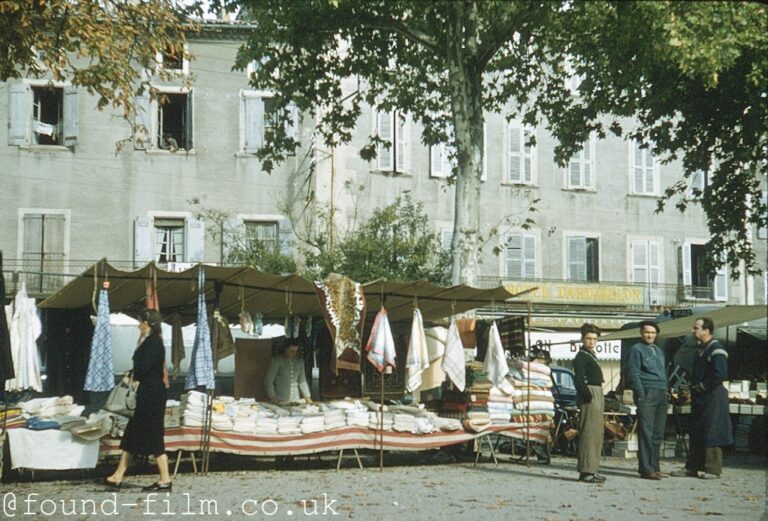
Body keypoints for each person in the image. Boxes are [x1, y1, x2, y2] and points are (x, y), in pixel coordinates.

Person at [103, 309, 172, 491]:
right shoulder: (150, 342)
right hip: (148, 394)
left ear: (148, 324)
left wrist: (133, 374)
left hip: (152, 395)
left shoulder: (153, 343)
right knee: (132, 435)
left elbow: (142, 368)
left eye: (141, 321)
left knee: (154, 436)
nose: (138, 325)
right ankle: (118, 475)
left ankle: (165, 479)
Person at [672, 317, 733, 479]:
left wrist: (702, 387)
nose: (693, 331)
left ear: (706, 331)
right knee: (697, 431)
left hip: (713, 397)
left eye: (696, 328)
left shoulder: (716, 349)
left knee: (712, 432)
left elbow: (720, 374)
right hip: (701, 398)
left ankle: (713, 469)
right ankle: (692, 467)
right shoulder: (700, 349)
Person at [626, 320, 668, 480]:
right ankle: (646, 468)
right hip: (647, 393)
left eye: (653, 332)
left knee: (658, 432)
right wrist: (642, 394)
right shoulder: (636, 350)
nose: (650, 335)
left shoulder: (659, 350)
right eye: (647, 332)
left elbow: (663, 372)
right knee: (646, 432)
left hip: (661, 393)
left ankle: (655, 466)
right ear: (641, 333)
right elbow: (633, 373)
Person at [573, 323, 606, 483]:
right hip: (590, 394)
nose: (591, 342)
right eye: (588, 338)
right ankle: (586, 471)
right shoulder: (581, 357)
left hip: (596, 393)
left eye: (594, 339)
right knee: (589, 433)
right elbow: (579, 380)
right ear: (582, 339)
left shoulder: (591, 355)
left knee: (596, 433)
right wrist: (588, 396)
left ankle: (592, 469)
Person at [265, 340, 312, 404]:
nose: (294, 353)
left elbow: (302, 381)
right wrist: (272, 397)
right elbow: (269, 380)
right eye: (292, 351)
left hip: (295, 400)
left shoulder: (300, 362)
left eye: (296, 351)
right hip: (280, 400)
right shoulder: (277, 360)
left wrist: (307, 397)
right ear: (285, 349)